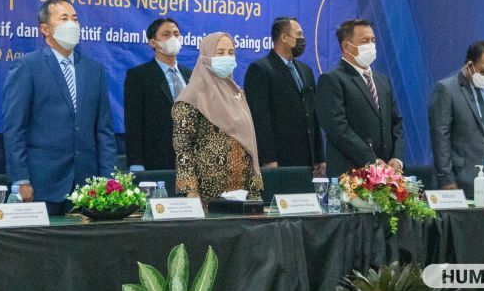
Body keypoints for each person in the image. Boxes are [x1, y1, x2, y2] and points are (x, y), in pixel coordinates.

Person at [2, 0, 117, 215]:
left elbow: (104, 130)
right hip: (42, 184)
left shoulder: (94, 69)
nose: (72, 24)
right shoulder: (27, 66)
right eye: (64, 19)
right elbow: (15, 129)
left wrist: (109, 180)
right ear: (45, 29)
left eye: (75, 18)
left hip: (88, 187)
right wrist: (20, 179)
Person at [172, 32, 263, 208]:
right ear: (206, 57)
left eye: (231, 52)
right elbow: (183, 147)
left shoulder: (237, 93)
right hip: (209, 194)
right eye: (220, 53)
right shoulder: (191, 96)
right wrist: (191, 190)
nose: (226, 57)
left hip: (245, 189)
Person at [315, 19, 404, 178]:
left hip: (387, 174)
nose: (371, 45)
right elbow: (338, 129)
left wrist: (397, 158)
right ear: (346, 46)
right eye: (365, 41)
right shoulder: (332, 80)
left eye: (373, 40)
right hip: (351, 174)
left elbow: (396, 123)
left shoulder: (382, 80)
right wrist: (371, 160)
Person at [244, 17, 325, 175]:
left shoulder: (305, 70)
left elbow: (313, 114)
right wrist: (268, 158)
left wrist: (319, 155)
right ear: (284, 37)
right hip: (279, 159)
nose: (302, 39)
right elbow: (260, 119)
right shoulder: (260, 69)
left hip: (307, 159)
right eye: (299, 34)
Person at [428, 41, 484, 195]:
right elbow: (440, 138)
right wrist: (446, 179)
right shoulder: (446, 89)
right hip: (461, 178)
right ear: (469, 65)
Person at [124, 18, 192, 171]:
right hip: (156, 161)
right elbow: (133, 122)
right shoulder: (139, 76)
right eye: (166, 34)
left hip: (190, 161)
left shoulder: (191, 75)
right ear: (153, 42)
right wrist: (136, 162)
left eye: (176, 34)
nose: (173, 38)